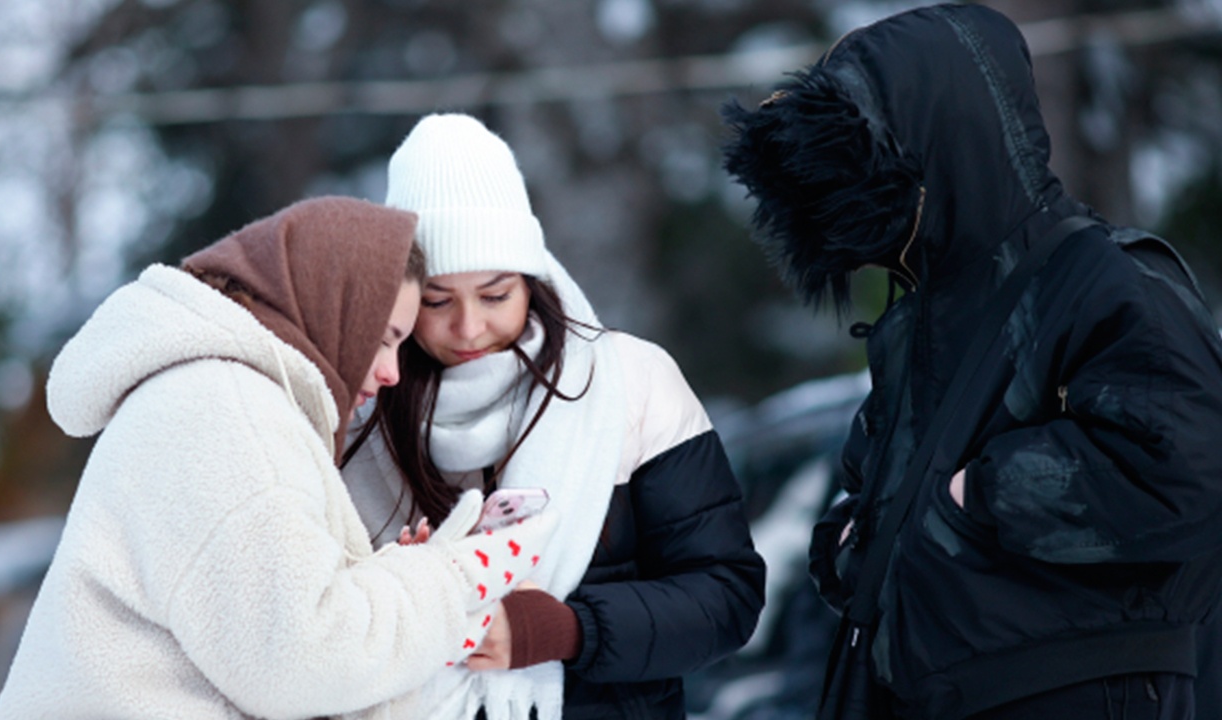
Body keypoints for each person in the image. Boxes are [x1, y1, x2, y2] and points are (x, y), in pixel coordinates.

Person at [719, 4, 1222, 720]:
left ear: (940, 136)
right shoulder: (923, 324)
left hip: (1071, 693)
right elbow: (869, 494)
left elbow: (1190, 467)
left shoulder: (1103, 280)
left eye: (867, 158)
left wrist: (976, 496)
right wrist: (848, 546)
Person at [0, 196, 556, 719]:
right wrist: (458, 576)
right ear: (332, 308)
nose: (391, 373)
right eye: (383, 339)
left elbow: (262, 629)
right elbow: (304, 658)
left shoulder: (232, 401)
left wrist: (386, 578)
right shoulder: (228, 413)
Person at [339, 113, 766, 720]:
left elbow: (727, 597)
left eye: (494, 295)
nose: (469, 328)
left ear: (533, 280)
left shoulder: (629, 382)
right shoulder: (364, 406)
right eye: (436, 302)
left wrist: (570, 630)